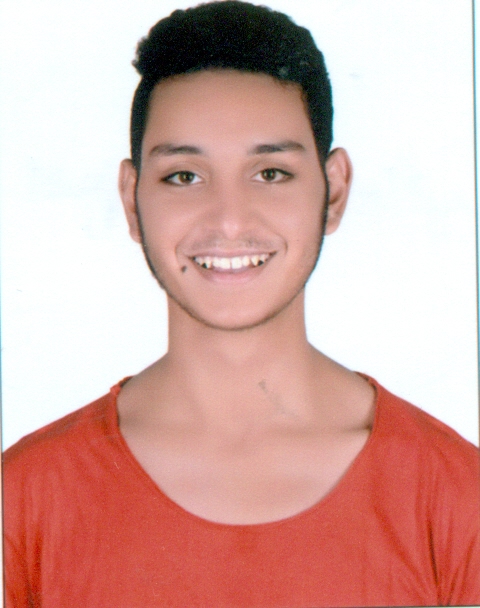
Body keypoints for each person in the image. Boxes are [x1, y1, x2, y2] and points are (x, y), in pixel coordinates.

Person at [4, 2, 479, 606]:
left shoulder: (457, 497)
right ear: (132, 200)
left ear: (334, 192)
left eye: (271, 173)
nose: (229, 222)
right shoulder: (22, 499)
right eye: (184, 176)